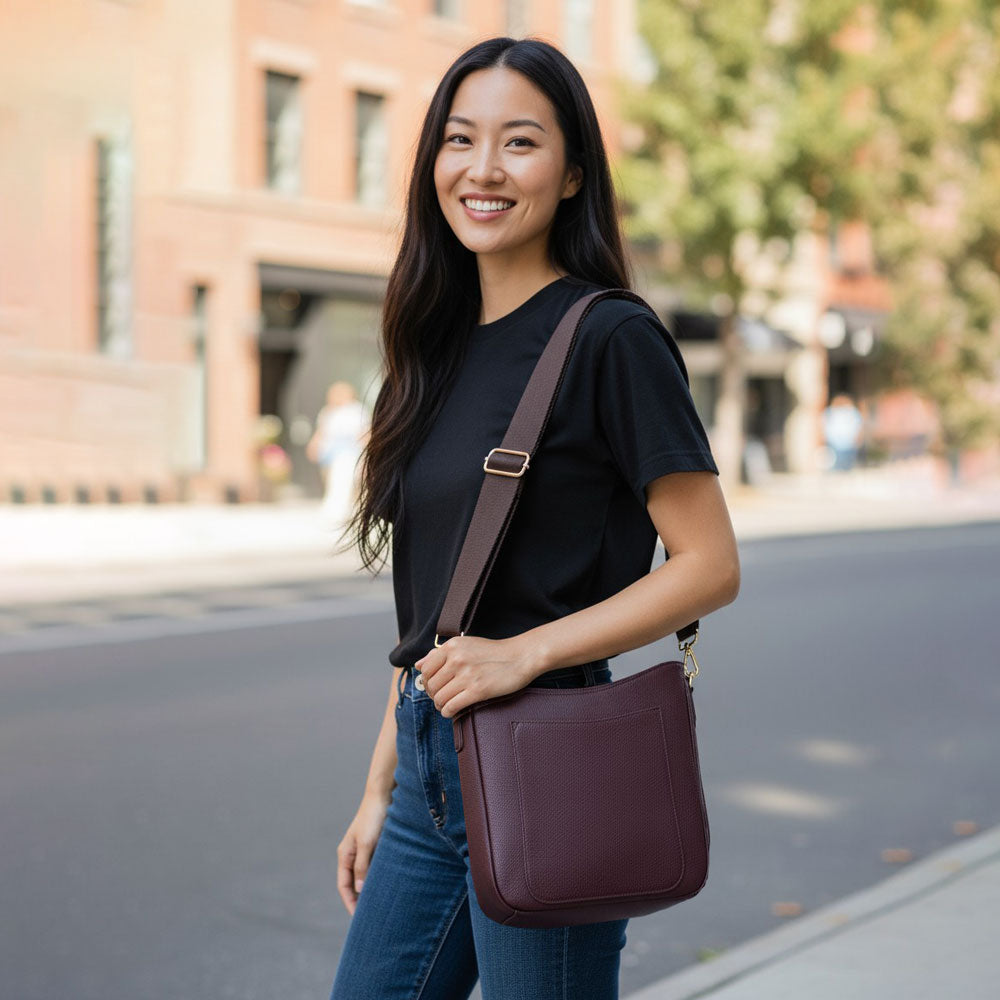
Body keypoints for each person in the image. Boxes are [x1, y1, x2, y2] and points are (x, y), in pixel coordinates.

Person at [328, 36, 740, 1000]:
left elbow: (709, 562)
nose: (482, 170)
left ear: (570, 176)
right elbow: (437, 610)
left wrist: (525, 652)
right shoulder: (434, 348)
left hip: (550, 754)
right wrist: (378, 783)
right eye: (459, 140)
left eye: (519, 143)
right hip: (432, 761)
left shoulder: (611, 337)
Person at [306, 381, 371, 526]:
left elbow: (364, 432)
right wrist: (314, 446)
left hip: (350, 450)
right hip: (330, 451)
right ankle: (334, 509)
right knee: (333, 479)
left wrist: (367, 452)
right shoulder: (328, 411)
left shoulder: (357, 410)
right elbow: (321, 431)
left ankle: (339, 510)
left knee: (344, 478)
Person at [821, 392, 864, 472]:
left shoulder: (852, 412)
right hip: (834, 444)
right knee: (835, 467)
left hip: (848, 444)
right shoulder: (830, 412)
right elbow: (824, 426)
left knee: (846, 466)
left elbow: (858, 426)